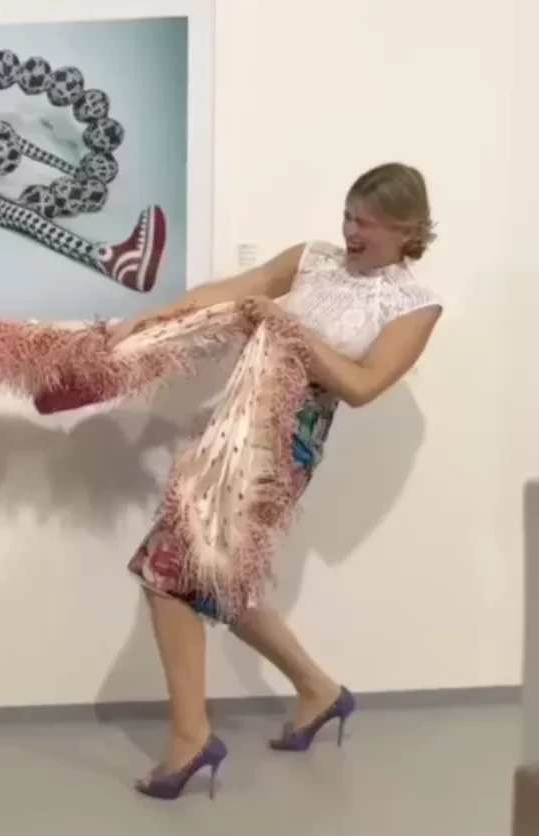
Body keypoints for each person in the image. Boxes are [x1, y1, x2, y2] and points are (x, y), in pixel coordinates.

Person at [107, 162, 443, 800]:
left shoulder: (414, 306)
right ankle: (320, 692)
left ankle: (191, 737)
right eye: (348, 216)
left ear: (407, 230)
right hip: (235, 419)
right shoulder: (313, 258)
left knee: (170, 572)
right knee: (219, 580)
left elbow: (362, 385)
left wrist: (286, 326)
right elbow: (234, 290)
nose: (351, 232)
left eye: (368, 223)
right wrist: (149, 321)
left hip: (286, 442)